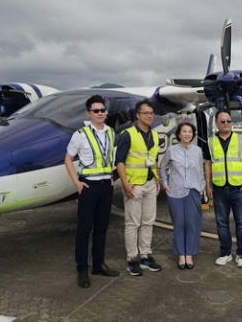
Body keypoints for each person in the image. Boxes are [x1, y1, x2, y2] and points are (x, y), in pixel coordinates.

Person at [63, 95, 121, 288]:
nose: (100, 113)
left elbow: (109, 156)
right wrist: (77, 184)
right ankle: (82, 269)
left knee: (102, 227)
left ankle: (98, 264)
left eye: (103, 110)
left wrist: (111, 175)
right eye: (96, 111)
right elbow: (68, 160)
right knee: (84, 229)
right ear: (89, 113)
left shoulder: (111, 133)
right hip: (88, 186)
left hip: (106, 185)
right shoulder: (80, 134)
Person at [115, 100, 163, 276]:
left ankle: (145, 255)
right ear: (138, 115)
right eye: (146, 113)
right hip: (134, 184)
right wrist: (125, 183)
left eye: (151, 113)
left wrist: (157, 180)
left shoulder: (155, 135)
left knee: (148, 222)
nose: (149, 116)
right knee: (133, 223)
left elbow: (154, 159)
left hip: (150, 183)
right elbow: (119, 161)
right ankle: (132, 259)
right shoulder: (127, 135)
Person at [203, 109, 242, 268]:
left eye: (229, 121)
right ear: (217, 124)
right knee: (221, 223)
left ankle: (241, 254)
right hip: (218, 189)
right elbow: (208, 164)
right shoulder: (210, 142)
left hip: (238, 189)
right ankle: (225, 253)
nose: (226, 124)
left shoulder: (240, 139)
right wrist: (208, 185)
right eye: (223, 121)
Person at [159, 121, 205, 270]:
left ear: (193, 134)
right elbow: (163, 166)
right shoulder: (172, 150)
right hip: (175, 191)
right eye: (184, 131)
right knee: (179, 224)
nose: (187, 134)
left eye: (190, 132)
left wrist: (202, 185)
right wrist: (165, 184)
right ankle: (181, 255)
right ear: (179, 134)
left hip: (193, 190)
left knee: (192, 223)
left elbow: (200, 170)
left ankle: (189, 254)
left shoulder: (197, 150)